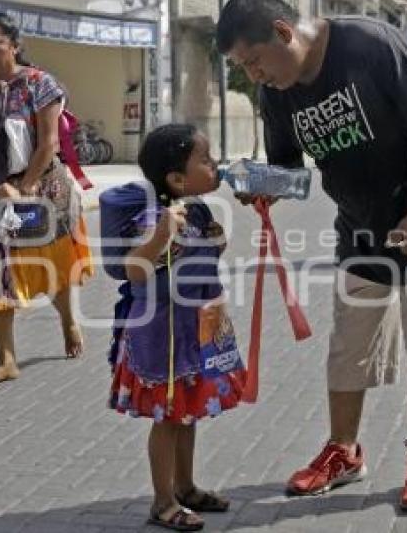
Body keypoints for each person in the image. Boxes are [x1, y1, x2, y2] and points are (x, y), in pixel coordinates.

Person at [217, 0, 407, 512]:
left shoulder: (367, 42)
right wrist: (263, 184)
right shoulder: (278, 93)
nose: (254, 75)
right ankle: (343, 452)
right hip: (360, 231)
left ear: (284, 33)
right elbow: (292, 173)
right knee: (348, 348)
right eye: (242, 67)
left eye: (253, 61)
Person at [102, 124, 246, 532]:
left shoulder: (197, 208)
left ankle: (185, 485)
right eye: (205, 158)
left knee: (187, 412)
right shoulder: (153, 216)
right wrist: (161, 235)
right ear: (177, 178)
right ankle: (162, 501)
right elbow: (132, 269)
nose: (214, 163)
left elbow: (209, 252)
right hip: (161, 334)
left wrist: (217, 237)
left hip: (196, 327)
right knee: (167, 417)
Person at [0, 12, 93, 387]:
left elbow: (48, 143)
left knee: (52, 267)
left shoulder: (39, 86)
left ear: (14, 45)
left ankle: (68, 320)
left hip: (40, 194)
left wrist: (25, 188)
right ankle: (6, 360)